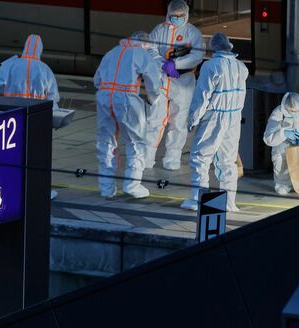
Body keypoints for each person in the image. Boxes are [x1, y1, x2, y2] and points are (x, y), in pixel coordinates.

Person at [180, 33, 248, 212]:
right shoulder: (242, 67)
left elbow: (202, 96)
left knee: (201, 158)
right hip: (234, 117)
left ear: (214, 48)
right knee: (228, 161)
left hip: (214, 117)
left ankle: (198, 199)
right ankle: (229, 202)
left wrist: (193, 119)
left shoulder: (211, 66)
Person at [94, 32, 162, 199]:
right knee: (136, 141)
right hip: (126, 99)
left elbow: (97, 80)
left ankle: (106, 188)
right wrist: (153, 100)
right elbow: (154, 81)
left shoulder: (112, 52)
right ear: (145, 44)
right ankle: (132, 185)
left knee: (106, 141)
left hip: (104, 97)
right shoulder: (140, 54)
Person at [146, 0, 205, 171]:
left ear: (186, 15)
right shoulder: (159, 30)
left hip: (183, 82)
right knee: (156, 119)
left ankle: (172, 158)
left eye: (181, 16)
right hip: (162, 80)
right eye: (174, 16)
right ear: (168, 14)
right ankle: (148, 158)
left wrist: (177, 64)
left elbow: (197, 56)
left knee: (179, 122)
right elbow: (150, 48)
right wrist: (161, 63)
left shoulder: (193, 33)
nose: (178, 18)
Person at [0, 34, 60, 108]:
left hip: (12, 108)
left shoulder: (10, 65)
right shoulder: (45, 69)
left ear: (25, 47)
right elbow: (52, 96)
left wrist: (10, 92)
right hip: (36, 109)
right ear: (40, 49)